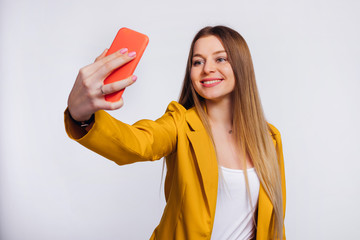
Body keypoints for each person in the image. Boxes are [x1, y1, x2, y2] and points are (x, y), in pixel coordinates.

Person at [65, 25, 286, 240]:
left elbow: (274, 224)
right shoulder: (180, 123)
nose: (207, 68)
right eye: (197, 61)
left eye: (220, 59)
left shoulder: (269, 138)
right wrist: (82, 116)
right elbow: (138, 142)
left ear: (241, 66)